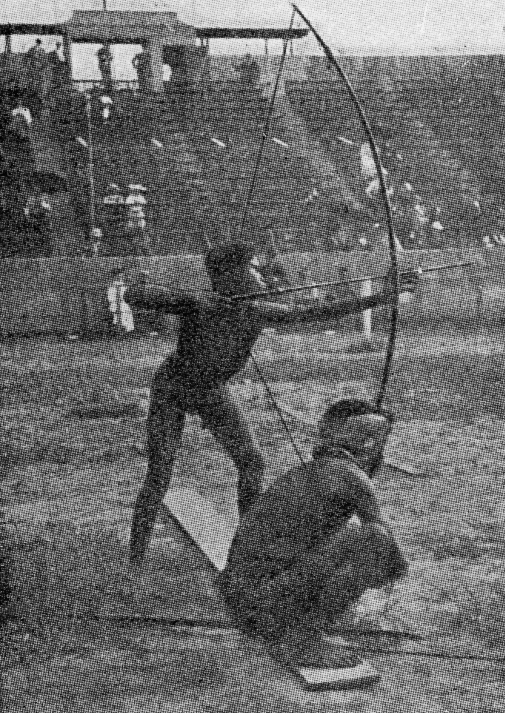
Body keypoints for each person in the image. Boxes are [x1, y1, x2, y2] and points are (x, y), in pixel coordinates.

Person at [126, 242, 409, 568]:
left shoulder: (256, 311)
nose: (261, 277)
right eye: (253, 270)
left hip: (211, 390)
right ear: (230, 277)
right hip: (173, 387)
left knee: (252, 463)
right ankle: (135, 563)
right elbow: (137, 297)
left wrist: (382, 296)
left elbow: (313, 313)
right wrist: (185, 299)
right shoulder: (198, 304)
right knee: (160, 473)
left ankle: (247, 554)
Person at [217, 398, 408, 666]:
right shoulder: (352, 477)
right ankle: (302, 641)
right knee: (375, 538)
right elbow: (394, 563)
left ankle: (297, 625)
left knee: (352, 536)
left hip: (238, 600)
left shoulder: (305, 472)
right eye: (374, 441)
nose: (376, 450)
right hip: (263, 609)